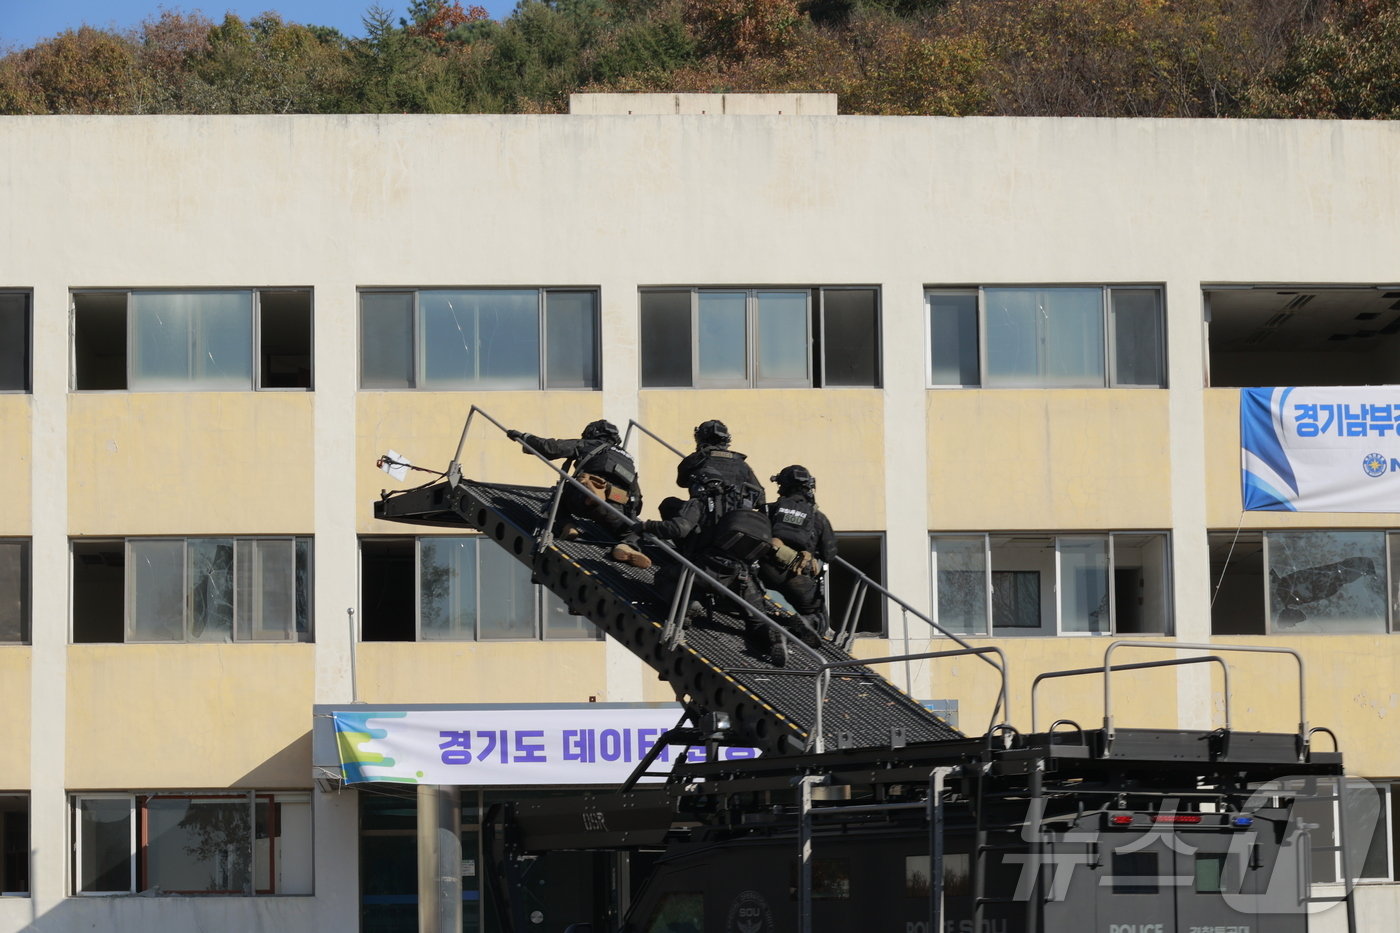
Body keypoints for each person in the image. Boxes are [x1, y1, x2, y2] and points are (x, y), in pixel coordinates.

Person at [506, 420, 651, 570]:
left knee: (561, 491)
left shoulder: (591, 445)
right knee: (634, 529)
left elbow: (551, 448)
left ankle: (567, 524)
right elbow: (637, 500)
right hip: (616, 511)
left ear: (593, 433)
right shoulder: (628, 460)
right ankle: (627, 545)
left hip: (582, 500)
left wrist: (524, 437)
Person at [759, 465, 837, 645]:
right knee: (816, 614)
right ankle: (801, 625)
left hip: (764, 570)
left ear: (782, 486)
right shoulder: (818, 517)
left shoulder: (769, 510)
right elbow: (830, 554)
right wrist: (811, 553)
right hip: (798, 577)